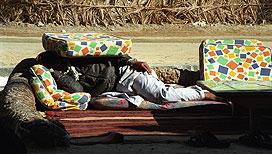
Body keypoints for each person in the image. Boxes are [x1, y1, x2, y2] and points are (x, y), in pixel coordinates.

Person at [36, 51, 220, 107]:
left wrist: (133, 61)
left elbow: (112, 55)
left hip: (129, 74)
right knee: (154, 97)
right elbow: (77, 90)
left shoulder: (80, 58)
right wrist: (55, 74)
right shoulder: (63, 77)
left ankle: (205, 94)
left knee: (163, 96)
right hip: (120, 87)